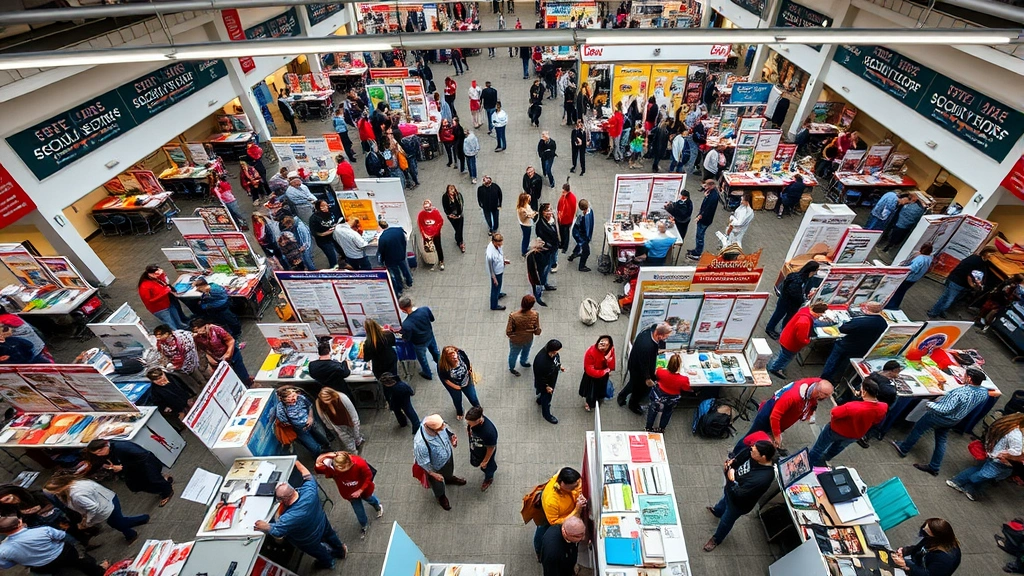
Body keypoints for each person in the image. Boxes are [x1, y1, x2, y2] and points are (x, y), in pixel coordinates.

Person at [891, 367, 992, 476]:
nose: (962, 376)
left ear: (970, 378)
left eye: (964, 375)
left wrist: (930, 404)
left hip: (938, 416)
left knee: (918, 430)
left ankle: (903, 448)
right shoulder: (984, 392)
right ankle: (934, 466)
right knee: (941, 440)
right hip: (955, 419)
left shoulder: (960, 392)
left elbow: (944, 409)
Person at [255, 461, 348, 569]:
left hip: (308, 538)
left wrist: (264, 526)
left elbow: (277, 531)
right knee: (331, 535)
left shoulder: (289, 517)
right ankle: (341, 551)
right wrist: (296, 462)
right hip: (322, 522)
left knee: (318, 551)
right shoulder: (309, 491)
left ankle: (329, 563)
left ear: (283, 500)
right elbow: (307, 474)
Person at [703, 440, 776, 552]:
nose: (751, 450)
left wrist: (731, 479)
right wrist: (731, 464)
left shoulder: (763, 478)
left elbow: (741, 494)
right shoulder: (753, 453)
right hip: (731, 490)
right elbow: (742, 456)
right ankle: (717, 511)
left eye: (754, 450)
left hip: (739, 503)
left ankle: (716, 539)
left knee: (726, 520)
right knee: (724, 501)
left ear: (763, 457)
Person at [733, 378, 834, 455]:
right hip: (767, 417)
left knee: (763, 439)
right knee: (751, 436)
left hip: (781, 419)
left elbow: (812, 401)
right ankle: (735, 453)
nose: (827, 398)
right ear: (820, 393)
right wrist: (776, 435)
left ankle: (751, 452)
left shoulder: (818, 384)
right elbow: (775, 416)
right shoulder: (793, 396)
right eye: (826, 395)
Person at [43, 476, 148, 544]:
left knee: (117, 523)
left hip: (106, 505)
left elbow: (93, 508)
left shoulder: (76, 495)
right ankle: (143, 519)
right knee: (117, 520)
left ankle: (131, 534)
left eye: (54, 491)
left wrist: (88, 522)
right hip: (108, 499)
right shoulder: (77, 481)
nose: (54, 494)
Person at [808, 378, 888, 466]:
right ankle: (825, 459)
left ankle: (809, 463)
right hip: (855, 435)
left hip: (836, 430)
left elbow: (834, 413)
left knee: (819, 448)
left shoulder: (852, 407)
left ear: (864, 392)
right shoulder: (883, 407)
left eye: (861, 389)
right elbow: (877, 421)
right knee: (838, 447)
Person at [948, 412, 1023, 501]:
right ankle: (970, 488)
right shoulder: (1016, 436)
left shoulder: (1006, 426)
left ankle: (957, 481)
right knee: (984, 475)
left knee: (978, 468)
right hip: (1001, 460)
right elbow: (1016, 453)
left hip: (992, 453)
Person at [0, 517, 107, 575]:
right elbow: (62, 535)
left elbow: (7, 565)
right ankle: (100, 571)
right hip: (64, 553)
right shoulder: (42, 530)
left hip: (42, 566)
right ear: (20, 523)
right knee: (84, 561)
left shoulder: (2, 550)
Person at [85, 439, 174, 506]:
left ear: (104, 446)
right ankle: (163, 482)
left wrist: (122, 467)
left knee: (150, 481)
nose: (99, 455)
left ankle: (167, 491)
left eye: (99, 452)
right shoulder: (114, 448)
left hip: (145, 464)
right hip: (137, 465)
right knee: (136, 485)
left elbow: (142, 458)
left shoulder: (121, 448)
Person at [315, 450, 381, 538]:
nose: (340, 471)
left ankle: (377, 506)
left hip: (364, 490)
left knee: (370, 499)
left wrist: (360, 490)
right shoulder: (333, 466)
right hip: (350, 493)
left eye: (342, 468)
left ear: (348, 463)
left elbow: (368, 477)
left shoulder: (359, 463)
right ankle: (364, 524)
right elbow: (318, 467)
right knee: (358, 510)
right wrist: (328, 455)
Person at [821, 302, 889, 383]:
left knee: (833, 361)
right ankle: (838, 378)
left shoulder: (860, 321)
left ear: (867, 309)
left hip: (846, 345)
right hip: (862, 348)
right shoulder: (883, 323)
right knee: (845, 363)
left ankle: (825, 378)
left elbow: (843, 329)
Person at [413, 414, 465, 510]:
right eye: (441, 427)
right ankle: (440, 496)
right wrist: (433, 473)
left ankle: (449, 478)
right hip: (435, 468)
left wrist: (452, 437)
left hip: (447, 457)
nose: (444, 427)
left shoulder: (437, 423)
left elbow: (448, 430)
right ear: (432, 430)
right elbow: (423, 462)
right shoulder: (421, 444)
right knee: (437, 484)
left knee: (449, 471)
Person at [617, 323, 671, 415]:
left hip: (635, 365)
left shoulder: (648, 332)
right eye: (665, 337)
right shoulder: (647, 346)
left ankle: (622, 396)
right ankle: (633, 405)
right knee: (638, 389)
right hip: (639, 371)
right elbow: (644, 364)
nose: (666, 339)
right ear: (659, 335)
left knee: (632, 383)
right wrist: (648, 378)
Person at [533, 467, 585, 559]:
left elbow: (577, 488)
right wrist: (576, 510)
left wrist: (579, 495)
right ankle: (539, 551)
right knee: (543, 532)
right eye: (574, 486)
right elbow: (553, 522)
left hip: (565, 511)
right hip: (549, 517)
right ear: (563, 484)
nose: (577, 487)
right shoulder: (552, 501)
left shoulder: (562, 477)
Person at [768, 302, 829, 379]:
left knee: (782, 354)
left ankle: (775, 364)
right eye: (821, 313)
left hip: (786, 336)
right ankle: (775, 369)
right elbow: (801, 338)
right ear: (817, 312)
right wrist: (808, 341)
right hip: (791, 344)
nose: (821, 316)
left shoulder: (805, 310)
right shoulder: (805, 322)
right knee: (786, 357)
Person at [765, 261, 821, 339]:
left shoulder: (803, 278)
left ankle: (783, 331)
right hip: (786, 301)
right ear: (812, 271)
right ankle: (770, 329)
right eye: (816, 270)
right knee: (779, 315)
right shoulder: (798, 280)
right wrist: (803, 298)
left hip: (790, 302)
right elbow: (794, 293)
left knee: (786, 317)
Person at [928, 250, 990, 318]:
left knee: (951, 299)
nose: (992, 256)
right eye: (991, 254)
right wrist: (973, 285)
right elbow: (968, 275)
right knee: (947, 299)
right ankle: (934, 312)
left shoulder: (982, 262)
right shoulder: (975, 260)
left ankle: (940, 311)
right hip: (957, 282)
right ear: (986, 253)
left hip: (962, 284)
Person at [891, 518, 962, 576]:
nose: (924, 531)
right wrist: (904, 551)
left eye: (927, 531)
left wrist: (906, 563)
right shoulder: (933, 539)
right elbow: (919, 548)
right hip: (917, 565)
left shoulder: (944, 559)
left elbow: (927, 574)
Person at [275, 386, 330, 457]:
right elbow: (284, 421)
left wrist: (310, 417)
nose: (294, 399)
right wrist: (297, 427)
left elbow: (310, 406)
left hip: (311, 424)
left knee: (322, 438)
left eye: (294, 396)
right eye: (290, 398)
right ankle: (319, 456)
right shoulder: (281, 408)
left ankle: (327, 448)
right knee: (313, 446)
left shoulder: (301, 398)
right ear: (283, 399)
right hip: (300, 429)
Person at [190, 318, 249, 382]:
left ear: (205, 326)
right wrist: (209, 357)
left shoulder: (216, 329)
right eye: (195, 331)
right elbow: (202, 349)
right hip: (218, 359)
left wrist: (228, 353)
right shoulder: (197, 337)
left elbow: (230, 341)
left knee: (242, 375)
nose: (198, 332)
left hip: (233, 355)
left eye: (198, 329)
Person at [153, 324, 205, 393]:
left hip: (190, 361)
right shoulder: (160, 344)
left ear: (167, 333)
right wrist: (167, 364)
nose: (157, 337)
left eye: (159, 335)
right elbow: (162, 354)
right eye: (156, 335)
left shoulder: (181, 337)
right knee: (189, 383)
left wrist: (179, 363)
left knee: (199, 377)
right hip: (178, 368)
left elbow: (191, 341)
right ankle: (198, 393)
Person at [646, 353, 692, 432]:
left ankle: (648, 427)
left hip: (658, 394)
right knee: (667, 412)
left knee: (652, 410)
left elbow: (656, 374)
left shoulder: (660, 372)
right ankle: (662, 428)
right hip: (671, 398)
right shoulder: (684, 379)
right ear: (679, 366)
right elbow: (686, 388)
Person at [400, 296, 441, 380]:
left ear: (402, 309)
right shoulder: (425, 309)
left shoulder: (406, 324)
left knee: (422, 359)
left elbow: (407, 338)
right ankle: (442, 366)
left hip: (419, 343)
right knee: (435, 352)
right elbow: (432, 319)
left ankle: (427, 373)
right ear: (411, 303)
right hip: (429, 336)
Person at [438, 346, 482, 420]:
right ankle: (459, 412)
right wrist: (455, 387)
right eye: (452, 358)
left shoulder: (461, 354)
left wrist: (470, 370)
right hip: (454, 385)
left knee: (473, 397)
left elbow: (467, 361)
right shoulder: (443, 367)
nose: (455, 358)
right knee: (457, 400)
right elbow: (445, 379)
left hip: (467, 381)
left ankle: (478, 409)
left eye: (455, 356)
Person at [138, 265, 188, 330]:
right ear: (151, 274)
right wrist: (164, 292)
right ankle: (176, 334)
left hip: (168, 302)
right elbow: (149, 300)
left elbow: (165, 281)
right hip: (159, 308)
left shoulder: (156, 278)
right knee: (170, 323)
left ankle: (182, 326)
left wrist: (162, 275)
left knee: (177, 318)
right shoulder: (144, 286)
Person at [887, 243, 934, 309]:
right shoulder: (929, 258)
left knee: (897, 292)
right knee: (901, 292)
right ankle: (895, 305)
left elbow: (913, 268)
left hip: (909, 278)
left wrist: (902, 268)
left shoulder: (920, 259)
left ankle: (891, 305)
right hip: (915, 279)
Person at [465, 406, 498, 491]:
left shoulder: (489, 432)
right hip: (476, 447)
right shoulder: (474, 423)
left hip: (484, 452)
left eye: (470, 423)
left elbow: (491, 448)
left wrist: (485, 461)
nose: (468, 424)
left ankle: (489, 478)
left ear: (478, 420)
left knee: (488, 467)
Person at [579, 335, 615, 412]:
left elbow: (611, 359)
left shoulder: (610, 350)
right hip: (592, 377)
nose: (601, 346)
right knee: (590, 391)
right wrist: (606, 371)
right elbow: (590, 370)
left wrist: (609, 369)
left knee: (600, 389)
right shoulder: (591, 352)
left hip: (602, 374)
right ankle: (589, 403)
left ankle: (598, 398)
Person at [377, 221, 413, 295]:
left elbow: (381, 251)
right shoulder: (399, 230)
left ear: (380, 227)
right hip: (401, 254)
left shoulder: (382, 238)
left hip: (390, 259)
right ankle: (409, 282)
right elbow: (404, 241)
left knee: (396, 274)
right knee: (404, 268)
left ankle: (400, 288)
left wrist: (382, 261)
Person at [687, 179, 720, 261]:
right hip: (705, 218)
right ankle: (696, 250)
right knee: (699, 235)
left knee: (700, 236)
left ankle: (698, 253)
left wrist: (700, 216)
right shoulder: (712, 192)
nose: (705, 188)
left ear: (711, 185)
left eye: (706, 186)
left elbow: (708, 208)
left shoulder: (713, 196)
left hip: (705, 219)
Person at [534, 339, 565, 424]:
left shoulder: (552, 354)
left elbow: (556, 360)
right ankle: (546, 414)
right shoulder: (541, 362)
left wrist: (559, 366)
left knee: (543, 396)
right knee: (547, 399)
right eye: (555, 352)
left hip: (550, 379)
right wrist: (547, 386)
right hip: (546, 384)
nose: (557, 353)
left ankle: (540, 400)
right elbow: (540, 377)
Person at [308, 199, 342, 269]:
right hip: (324, 241)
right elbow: (316, 233)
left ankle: (343, 263)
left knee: (341, 251)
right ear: (321, 208)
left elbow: (333, 221)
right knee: (332, 256)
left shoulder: (330, 213)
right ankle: (334, 269)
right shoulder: (314, 219)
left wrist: (335, 225)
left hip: (333, 237)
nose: (328, 207)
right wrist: (328, 232)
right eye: (325, 206)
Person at [418, 199, 446, 271]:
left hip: (435, 234)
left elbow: (440, 222)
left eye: (427, 207)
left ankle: (441, 261)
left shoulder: (435, 212)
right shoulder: (421, 214)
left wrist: (435, 231)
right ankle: (431, 261)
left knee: (438, 247)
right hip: (426, 235)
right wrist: (424, 233)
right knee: (429, 248)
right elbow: (420, 224)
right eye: (425, 208)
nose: (426, 209)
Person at [536, 202, 560, 286]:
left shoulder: (552, 220)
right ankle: (542, 285)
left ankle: (545, 283)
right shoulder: (540, 225)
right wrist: (550, 247)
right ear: (543, 212)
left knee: (549, 266)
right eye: (547, 211)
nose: (550, 212)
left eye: (550, 210)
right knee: (545, 269)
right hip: (547, 252)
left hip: (553, 248)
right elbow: (543, 240)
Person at [485, 233, 510, 311]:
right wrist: (494, 277)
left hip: (500, 268)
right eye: (499, 244)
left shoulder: (497, 246)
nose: (500, 245)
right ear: (493, 242)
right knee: (495, 287)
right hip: (496, 272)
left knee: (498, 285)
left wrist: (503, 261)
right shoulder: (490, 255)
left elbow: (500, 254)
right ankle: (494, 305)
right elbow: (490, 267)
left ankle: (498, 294)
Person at [568, 198, 594, 271]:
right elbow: (580, 229)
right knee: (586, 252)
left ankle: (573, 255)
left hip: (582, 235)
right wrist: (585, 239)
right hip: (580, 236)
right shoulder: (581, 217)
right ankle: (581, 267)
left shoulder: (587, 212)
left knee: (579, 245)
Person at [554, 184, 577, 260]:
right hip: (561, 219)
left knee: (566, 233)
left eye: (563, 192)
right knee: (561, 232)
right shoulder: (564, 196)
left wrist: (562, 215)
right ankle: (562, 243)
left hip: (566, 221)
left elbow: (569, 212)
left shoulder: (571, 199)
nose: (562, 193)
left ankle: (565, 246)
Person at [526, 238, 550, 306]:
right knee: (537, 288)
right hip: (536, 276)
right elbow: (543, 263)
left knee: (536, 287)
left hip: (534, 275)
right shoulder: (536, 255)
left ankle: (537, 296)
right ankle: (537, 298)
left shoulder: (531, 254)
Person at [517, 192, 539, 257]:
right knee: (526, 238)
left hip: (526, 224)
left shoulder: (524, 206)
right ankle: (524, 251)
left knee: (526, 237)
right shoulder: (522, 210)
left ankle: (525, 248)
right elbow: (526, 217)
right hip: (526, 225)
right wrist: (533, 214)